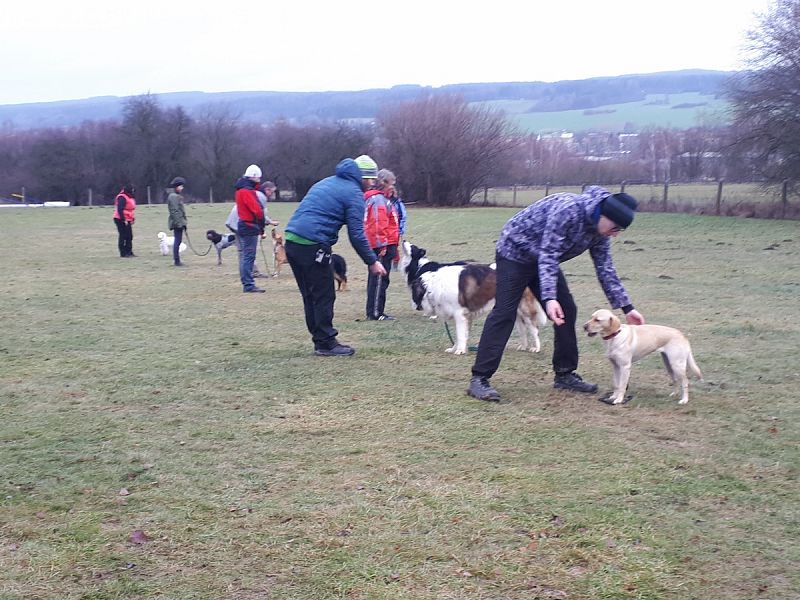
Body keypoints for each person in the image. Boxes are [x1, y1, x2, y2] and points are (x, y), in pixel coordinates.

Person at [467, 186, 646, 403]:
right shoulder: (568, 210)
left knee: (567, 309)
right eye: (616, 227)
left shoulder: (600, 232)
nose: (616, 234)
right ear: (604, 215)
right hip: (514, 253)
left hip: (542, 260)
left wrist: (627, 307)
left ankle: (565, 374)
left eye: (621, 231)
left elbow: (605, 268)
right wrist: (549, 298)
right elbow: (549, 253)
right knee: (505, 312)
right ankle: (480, 379)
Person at [284, 155, 387, 356]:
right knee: (324, 295)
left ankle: (319, 339)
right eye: (372, 179)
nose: (373, 183)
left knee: (310, 295)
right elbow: (356, 234)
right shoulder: (354, 193)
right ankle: (326, 343)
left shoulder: (327, 182)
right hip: (313, 244)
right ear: (364, 178)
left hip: (292, 241)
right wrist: (372, 261)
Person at [363, 168, 400, 320]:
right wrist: (382, 246)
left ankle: (376, 310)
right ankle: (376, 312)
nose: (392, 187)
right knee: (379, 280)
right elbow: (378, 224)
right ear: (383, 182)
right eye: (391, 183)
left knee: (380, 280)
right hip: (382, 246)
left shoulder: (383, 199)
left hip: (388, 243)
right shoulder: (378, 200)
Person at [234, 164, 267, 293]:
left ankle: (247, 283)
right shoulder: (246, 192)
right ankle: (248, 284)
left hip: (243, 225)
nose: (259, 180)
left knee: (245, 255)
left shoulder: (240, 190)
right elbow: (257, 210)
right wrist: (261, 223)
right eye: (258, 178)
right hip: (249, 226)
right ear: (253, 177)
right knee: (248, 256)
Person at [166, 177, 187, 267]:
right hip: (177, 223)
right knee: (177, 241)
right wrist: (179, 223)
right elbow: (175, 211)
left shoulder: (175, 196)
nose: (182, 188)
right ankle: (177, 260)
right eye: (181, 186)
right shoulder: (173, 197)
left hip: (179, 222)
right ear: (177, 187)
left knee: (178, 241)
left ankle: (177, 260)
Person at [113, 184, 136, 258]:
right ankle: (123, 253)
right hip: (120, 218)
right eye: (132, 189)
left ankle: (129, 251)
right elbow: (120, 209)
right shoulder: (122, 197)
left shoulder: (130, 197)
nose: (133, 191)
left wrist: (132, 218)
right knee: (123, 235)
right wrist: (124, 220)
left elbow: (131, 209)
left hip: (128, 218)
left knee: (129, 236)